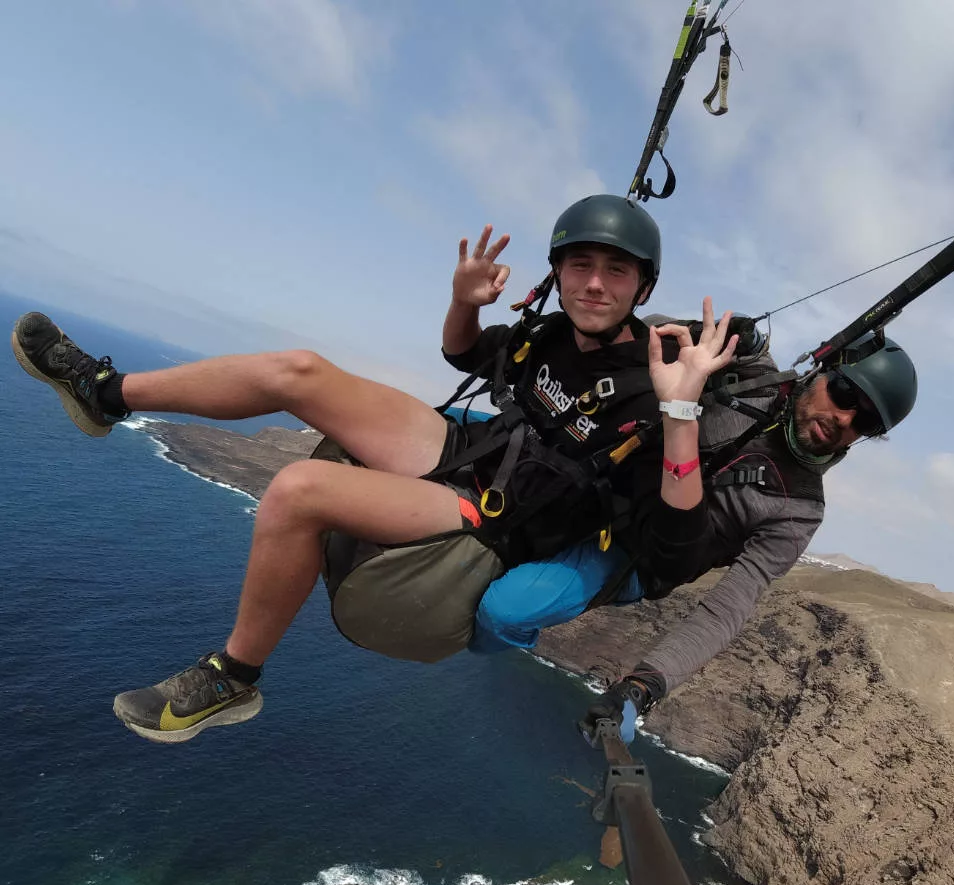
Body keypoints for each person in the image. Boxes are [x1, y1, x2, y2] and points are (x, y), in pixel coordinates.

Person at [11, 193, 740, 744]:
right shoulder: (549, 334)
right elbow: (465, 355)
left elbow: (676, 530)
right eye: (580, 264)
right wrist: (463, 302)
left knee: (299, 490)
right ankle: (105, 394)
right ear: (556, 274)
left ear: (642, 289)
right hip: (468, 457)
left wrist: (681, 412)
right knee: (297, 370)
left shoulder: (661, 381)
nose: (594, 283)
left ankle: (233, 678)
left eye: (617, 271)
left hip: (499, 521)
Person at [469, 322, 919, 745]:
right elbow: (642, 342)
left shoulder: (798, 511)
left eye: (864, 422)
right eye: (844, 392)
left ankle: (456, 627)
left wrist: (645, 685)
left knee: (504, 612)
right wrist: (706, 335)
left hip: (631, 556)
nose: (843, 417)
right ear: (824, 368)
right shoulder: (752, 377)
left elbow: (729, 608)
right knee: (461, 443)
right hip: (602, 478)